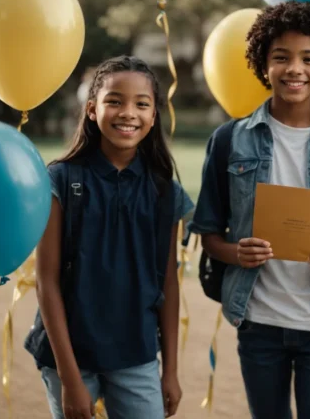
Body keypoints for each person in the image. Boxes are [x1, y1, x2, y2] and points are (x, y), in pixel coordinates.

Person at [187, 0, 310, 419]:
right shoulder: (229, 141)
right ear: (263, 64)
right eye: (282, 58)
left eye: (308, 59)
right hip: (259, 321)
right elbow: (209, 234)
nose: (295, 69)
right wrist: (236, 253)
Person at [24, 56, 192, 419]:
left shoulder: (165, 192)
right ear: (91, 109)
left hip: (137, 355)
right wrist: (70, 380)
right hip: (70, 359)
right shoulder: (59, 180)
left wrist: (171, 371)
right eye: (114, 100)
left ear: (153, 116)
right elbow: (46, 282)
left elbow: (168, 283)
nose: (127, 112)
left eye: (141, 104)